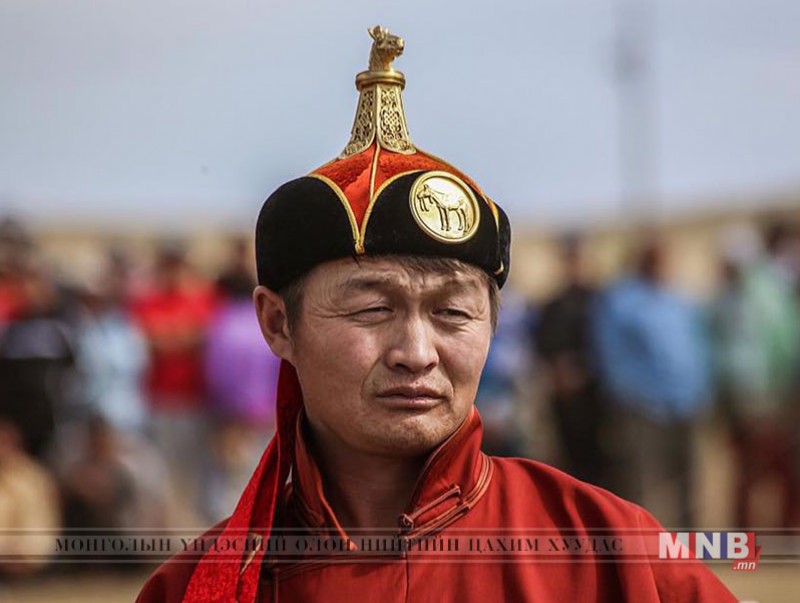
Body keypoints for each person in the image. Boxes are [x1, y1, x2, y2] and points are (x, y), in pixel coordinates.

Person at [137, 26, 736, 602]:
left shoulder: (614, 556)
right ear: (277, 324)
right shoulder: (197, 588)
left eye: (452, 312)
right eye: (373, 308)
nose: (417, 353)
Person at [593, 237, 711, 528]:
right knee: (643, 484)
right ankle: (642, 549)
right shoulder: (621, 301)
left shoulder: (677, 300)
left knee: (689, 482)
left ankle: (688, 546)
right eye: (658, 259)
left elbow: (696, 347)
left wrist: (700, 390)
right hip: (644, 408)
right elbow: (612, 357)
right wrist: (631, 398)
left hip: (685, 404)